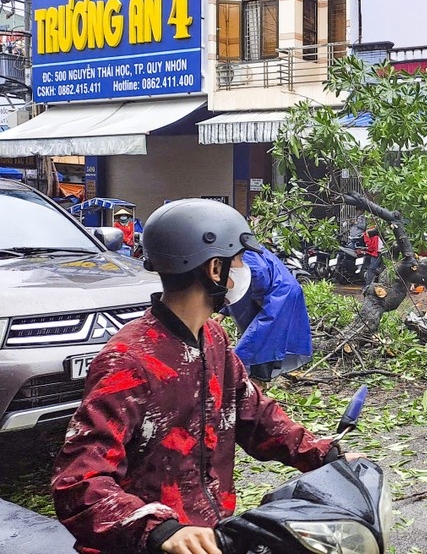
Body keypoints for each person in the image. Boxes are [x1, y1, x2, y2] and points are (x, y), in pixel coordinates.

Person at [51, 199, 352, 554]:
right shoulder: (128, 360)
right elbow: (78, 482)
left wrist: (323, 454)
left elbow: (254, 415)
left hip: (212, 538)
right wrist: (160, 530)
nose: (244, 269)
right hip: (153, 546)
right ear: (214, 268)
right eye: (238, 260)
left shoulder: (214, 339)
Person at [219, 246, 312, 382]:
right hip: (280, 293)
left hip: (278, 296)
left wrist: (258, 297)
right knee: (266, 338)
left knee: (259, 338)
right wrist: (223, 312)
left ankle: (257, 381)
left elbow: (259, 272)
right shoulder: (250, 247)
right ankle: (256, 380)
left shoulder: (244, 251)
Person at [357, 223, 385, 288]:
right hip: (379, 252)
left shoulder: (369, 234)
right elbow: (370, 246)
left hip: (378, 252)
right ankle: (369, 285)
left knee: (373, 269)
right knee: (373, 269)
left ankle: (369, 285)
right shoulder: (375, 233)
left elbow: (370, 246)